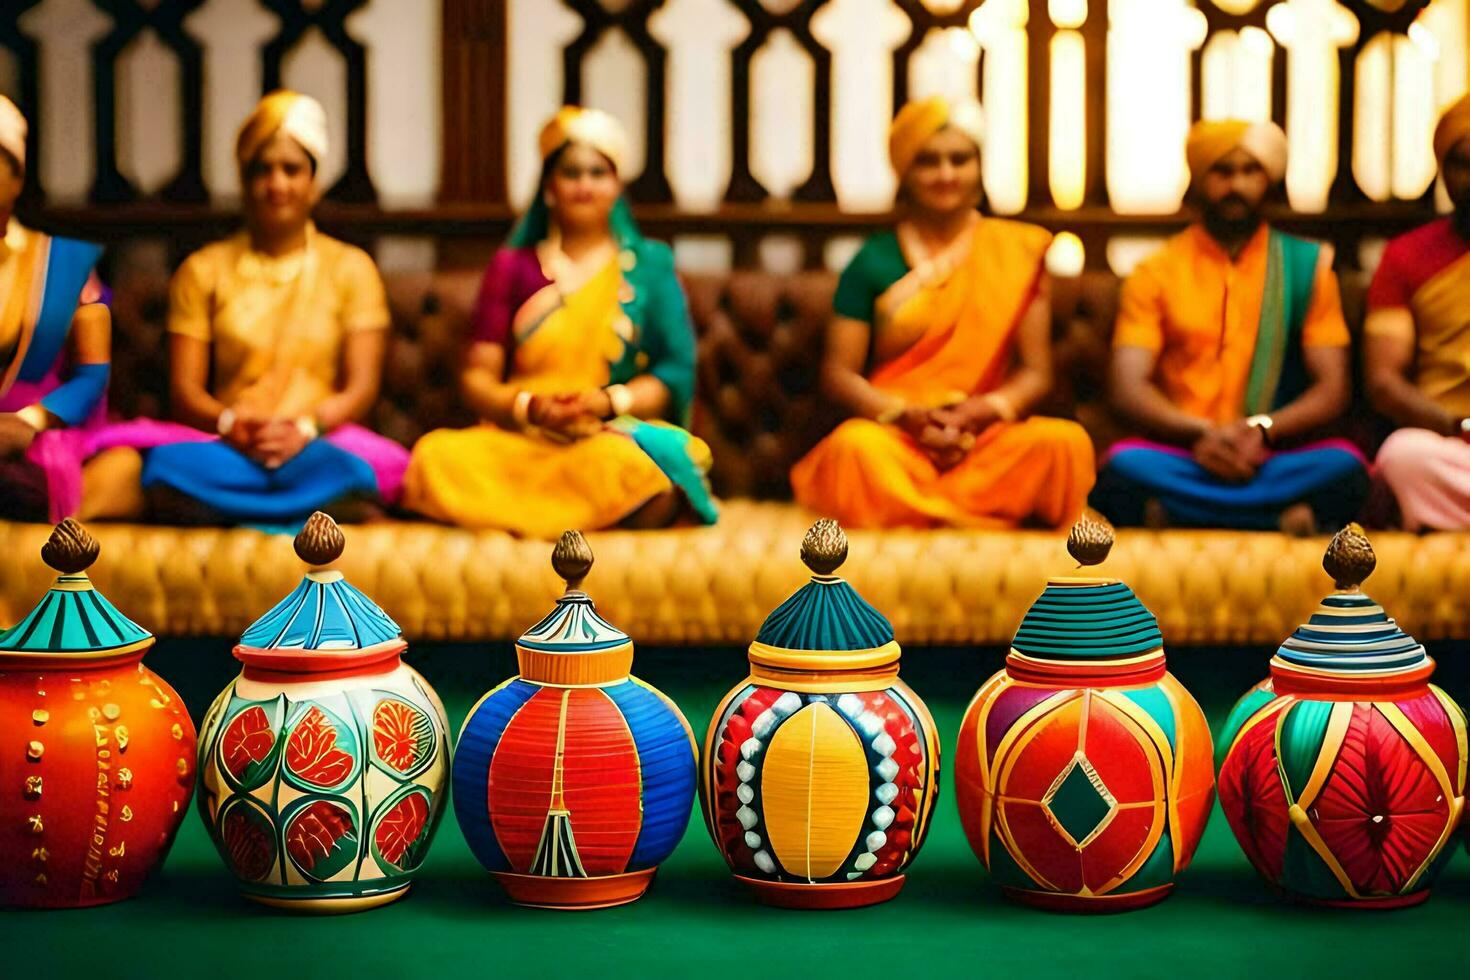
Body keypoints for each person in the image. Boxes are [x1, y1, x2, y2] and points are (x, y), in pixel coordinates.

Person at [400, 107, 716, 537]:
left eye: (598, 172)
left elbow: (674, 371)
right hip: (524, 434)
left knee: (642, 461)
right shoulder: (512, 267)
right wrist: (529, 407)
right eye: (571, 172)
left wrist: (607, 403)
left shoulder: (649, 266)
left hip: (602, 433)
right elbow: (478, 376)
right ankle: (595, 515)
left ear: (616, 185)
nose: (584, 184)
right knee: (436, 455)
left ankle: (533, 514)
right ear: (549, 185)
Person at [789, 96, 1094, 529]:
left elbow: (1035, 371)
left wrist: (987, 410)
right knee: (853, 450)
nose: (946, 174)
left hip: (985, 436)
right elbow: (839, 374)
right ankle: (978, 513)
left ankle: (920, 512)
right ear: (905, 173)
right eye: (928, 162)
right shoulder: (871, 261)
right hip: (899, 437)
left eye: (960, 159)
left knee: (1063, 443)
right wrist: (904, 416)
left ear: (978, 167)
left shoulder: (1017, 251)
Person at [114, 91, 407, 526]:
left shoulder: (351, 269)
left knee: (371, 467)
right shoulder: (203, 270)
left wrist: (305, 430)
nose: (277, 184)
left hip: (318, 445)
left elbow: (360, 390)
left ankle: (246, 506)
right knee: (166, 467)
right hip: (232, 446)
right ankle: (314, 508)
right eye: (262, 170)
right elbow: (186, 393)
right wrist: (234, 424)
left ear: (314, 181)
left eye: (292, 169)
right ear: (244, 180)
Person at [1091, 119, 1366, 534]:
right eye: (1222, 172)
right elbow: (1129, 387)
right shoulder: (1156, 271)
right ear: (1199, 180)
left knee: (1344, 465)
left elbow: (1332, 389)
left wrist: (1262, 431)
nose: (1235, 185)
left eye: (1249, 171)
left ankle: (1178, 514)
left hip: (1271, 456)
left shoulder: (1308, 268)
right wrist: (1202, 434)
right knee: (1124, 465)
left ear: (1268, 180)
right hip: (1185, 452)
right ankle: (1277, 517)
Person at [0, 95, 134, 523]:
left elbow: (92, 376)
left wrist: (30, 421)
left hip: (37, 435)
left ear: (17, 177)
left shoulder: (63, 265)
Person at [1366, 94, 1470, 531]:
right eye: (1463, 163)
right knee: (1403, 455)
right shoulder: (1407, 257)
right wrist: (1458, 424)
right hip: (1450, 444)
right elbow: (1384, 381)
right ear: (1443, 173)